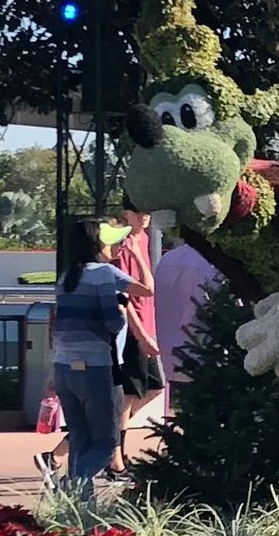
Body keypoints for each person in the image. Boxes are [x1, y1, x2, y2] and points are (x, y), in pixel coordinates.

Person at [46, 218, 149, 498]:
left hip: (65, 367)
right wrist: (122, 311)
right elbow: (111, 323)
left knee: (80, 440)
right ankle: (74, 483)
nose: (114, 243)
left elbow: (60, 325)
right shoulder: (103, 274)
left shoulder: (66, 277)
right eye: (110, 239)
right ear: (97, 243)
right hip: (97, 367)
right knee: (106, 444)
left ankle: (80, 508)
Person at [109, 206, 164, 480]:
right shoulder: (121, 242)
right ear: (125, 213)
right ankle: (115, 458)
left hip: (147, 326)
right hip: (132, 329)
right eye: (138, 211)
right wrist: (140, 333)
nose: (145, 216)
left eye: (148, 212)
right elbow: (125, 296)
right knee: (128, 394)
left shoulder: (144, 239)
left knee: (154, 386)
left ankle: (110, 439)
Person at [152, 231, 221, 411]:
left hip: (169, 348)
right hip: (204, 347)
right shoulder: (214, 262)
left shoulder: (168, 259)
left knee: (187, 410)